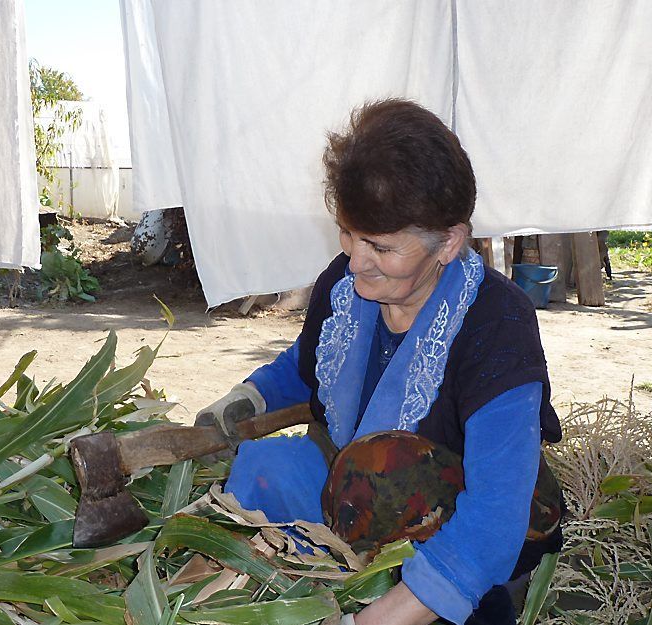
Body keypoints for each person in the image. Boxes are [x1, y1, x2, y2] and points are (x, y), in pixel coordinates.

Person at [196, 99, 564, 625]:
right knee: (265, 471)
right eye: (348, 233)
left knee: (378, 475)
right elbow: (309, 360)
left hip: (478, 521)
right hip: (360, 500)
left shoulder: (495, 324)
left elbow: (495, 514)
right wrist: (253, 395)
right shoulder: (345, 285)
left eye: (382, 248)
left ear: (449, 241)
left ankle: (454, 600)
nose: (356, 259)